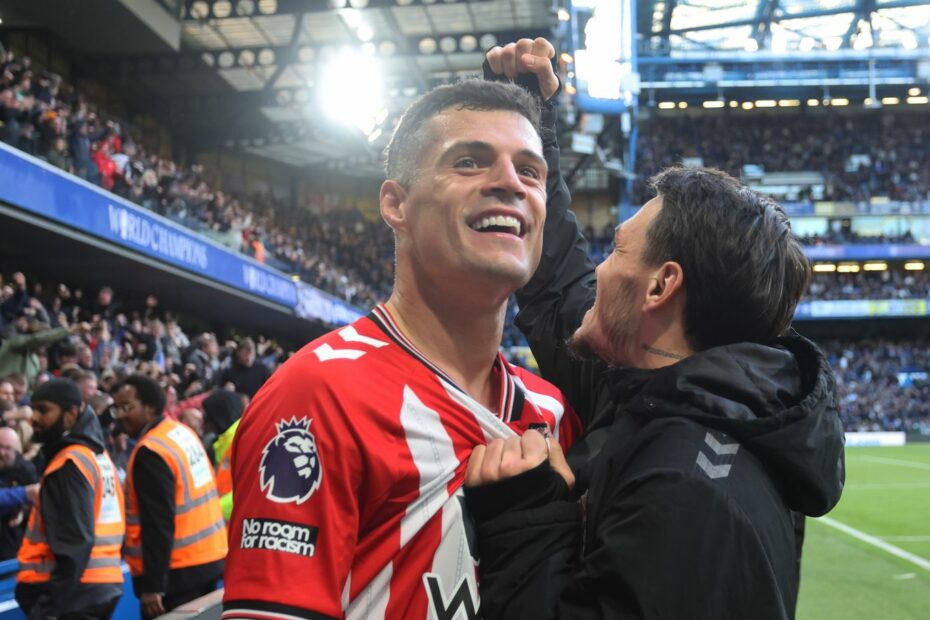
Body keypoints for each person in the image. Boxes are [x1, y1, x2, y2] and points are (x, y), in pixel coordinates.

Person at [462, 40, 846, 620]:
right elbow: (560, 286)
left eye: (616, 250)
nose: (599, 270)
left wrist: (527, 518)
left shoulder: (691, 494)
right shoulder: (652, 391)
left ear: (661, 286)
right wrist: (530, 123)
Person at [222, 74, 581, 619]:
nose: (511, 183)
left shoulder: (551, 409)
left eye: (530, 171)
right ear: (396, 204)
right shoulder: (320, 393)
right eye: (469, 162)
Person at [114, 374, 226, 619]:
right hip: (209, 558)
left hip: (177, 574)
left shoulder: (151, 452)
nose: (120, 415)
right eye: (117, 408)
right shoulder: (181, 433)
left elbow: (158, 523)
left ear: (151, 407)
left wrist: (153, 586)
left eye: (127, 407)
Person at [15, 378, 125, 619]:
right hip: (100, 584)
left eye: (44, 410)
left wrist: (48, 608)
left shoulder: (69, 463)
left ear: (71, 414)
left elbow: (75, 542)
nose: (34, 418)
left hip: (73, 596)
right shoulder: (97, 455)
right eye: (33, 409)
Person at [201, 389, 243, 520]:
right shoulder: (223, 442)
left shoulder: (241, 441)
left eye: (206, 416)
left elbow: (247, 492)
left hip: (230, 522)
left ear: (217, 418)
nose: (203, 421)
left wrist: (211, 511)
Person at [0, 426, 38, 559]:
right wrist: (23, 494)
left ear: (17, 451)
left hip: (12, 542)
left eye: (7, 448)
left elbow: (36, 501)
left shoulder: (26, 470)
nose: (2, 452)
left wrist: (23, 510)